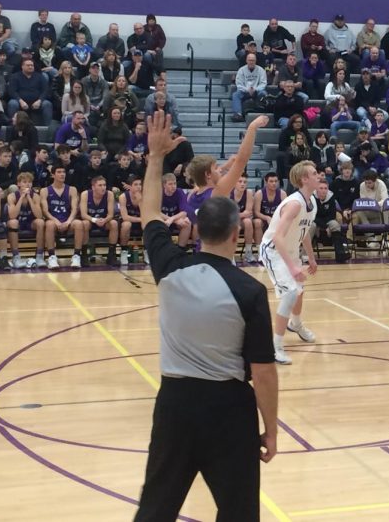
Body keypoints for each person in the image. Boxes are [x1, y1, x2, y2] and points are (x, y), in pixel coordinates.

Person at [133, 110, 278, 522]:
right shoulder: (250, 291)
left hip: (175, 403)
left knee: (156, 507)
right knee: (238, 511)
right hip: (228, 408)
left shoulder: (170, 268)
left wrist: (155, 157)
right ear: (237, 233)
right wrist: (271, 427)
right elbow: (264, 372)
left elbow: (149, 215)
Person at [259, 160, 320, 365]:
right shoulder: (294, 204)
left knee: (299, 290)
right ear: (304, 179)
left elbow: (304, 232)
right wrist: (293, 267)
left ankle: (296, 324)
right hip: (273, 250)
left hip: (291, 250)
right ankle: (275, 347)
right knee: (291, 292)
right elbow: (277, 237)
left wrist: (310, 257)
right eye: (314, 173)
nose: (318, 174)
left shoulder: (312, 202)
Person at [186, 117, 269, 242]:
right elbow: (242, 160)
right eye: (215, 168)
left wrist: (226, 165)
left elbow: (209, 178)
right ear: (208, 175)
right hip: (218, 254)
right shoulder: (216, 193)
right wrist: (252, 127)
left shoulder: (192, 196)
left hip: (202, 250)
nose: (219, 169)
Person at [41, 163, 85, 269]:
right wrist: (56, 221)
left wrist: (69, 221)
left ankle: (76, 256)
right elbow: (45, 211)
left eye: (64, 172)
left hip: (68, 220)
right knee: (49, 224)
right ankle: (52, 257)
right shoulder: (45, 190)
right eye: (59, 172)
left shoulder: (72, 189)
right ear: (53, 175)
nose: (62, 174)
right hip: (54, 220)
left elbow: (75, 209)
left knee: (79, 223)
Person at [6, 172, 46, 268]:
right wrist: (21, 198)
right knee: (13, 222)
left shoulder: (35, 196)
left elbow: (39, 215)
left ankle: (40, 256)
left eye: (30, 182)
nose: (27, 184)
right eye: (24, 182)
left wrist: (29, 198)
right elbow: (12, 216)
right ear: (18, 184)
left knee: (40, 222)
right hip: (18, 222)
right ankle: (16, 257)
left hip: (30, 222)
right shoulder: (12, 196)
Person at [79, 175, 119, 266]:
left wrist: (104, 220)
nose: (103, 187)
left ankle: (111, 254)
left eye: (104, 185)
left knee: (114, 223)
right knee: (84, 223)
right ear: (93, 187)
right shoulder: (85, 194)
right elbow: (83, 214)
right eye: (100, 185)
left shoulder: (109, 194)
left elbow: (110, 214)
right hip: (90, 221)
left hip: (104, 221)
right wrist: (94, 220)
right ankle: (84, 255)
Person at [7, 59, 53, 126]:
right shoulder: (15, 76)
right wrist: (20, 101)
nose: (30, 67)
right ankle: (12, 127)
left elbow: (45, 90)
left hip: (37, 102)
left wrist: (39, 101)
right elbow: (12, 91)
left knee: (47, 104)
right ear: (22, 66)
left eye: (32, 65)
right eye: (28, 65)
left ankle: (48, 129)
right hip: (20, 102)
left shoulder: (40, 76)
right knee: (12, 103)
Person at [253, 171, 287, 248]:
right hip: (263, 218)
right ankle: (260, 249)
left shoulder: (282, 194)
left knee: (286, 222)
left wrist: (277, 219)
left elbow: (285, 211)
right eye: (271, 181)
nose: (274, 183)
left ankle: (281, 248)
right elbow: (256, 212)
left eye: (276, 181)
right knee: (257, 222)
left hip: (277, 218)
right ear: (266, 182)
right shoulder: (259, 194)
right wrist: (267, 218)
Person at [231, 174, 256, 263]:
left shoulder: (248, 193)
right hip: (230, 221)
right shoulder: (229, 192)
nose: (242, 184)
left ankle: (248, 252)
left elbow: (248, 212)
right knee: (233, 223)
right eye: (240, 181)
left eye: (245, 182)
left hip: (240, 220)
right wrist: (241, 214)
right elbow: (227, 214)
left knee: (248, 222)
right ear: (234, 183)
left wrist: (237, 215)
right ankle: (230, 255)